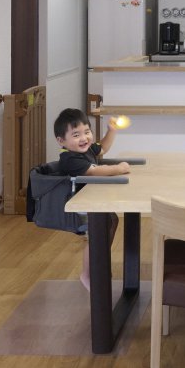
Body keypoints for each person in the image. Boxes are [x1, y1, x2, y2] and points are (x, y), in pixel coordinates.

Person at [52, 107, 131, 289]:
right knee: (96, 235)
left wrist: (111, 130)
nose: (84, 138)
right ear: (61, 141)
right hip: (79, 203)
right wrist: (119, 168)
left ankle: (99, 262)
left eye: (87, 132)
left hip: (93, 200)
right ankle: (87, 274)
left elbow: (102, 147)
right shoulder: (69, 158)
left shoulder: (86, 150)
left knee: (110, 222)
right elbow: (94, 171)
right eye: (76, 135)